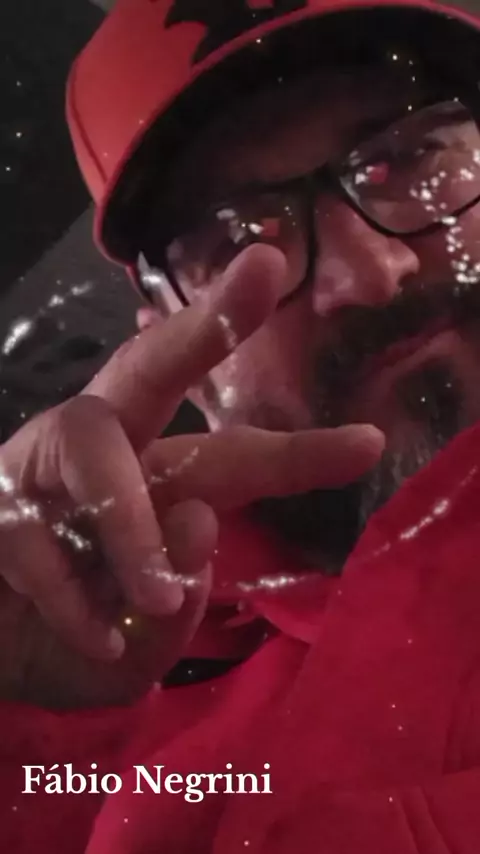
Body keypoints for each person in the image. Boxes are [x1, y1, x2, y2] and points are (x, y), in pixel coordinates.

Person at [2, 0, 480, 850]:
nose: (370, 274)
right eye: (240, 238)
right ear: (170, 340)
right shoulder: (91, 690)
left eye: (408, 161)